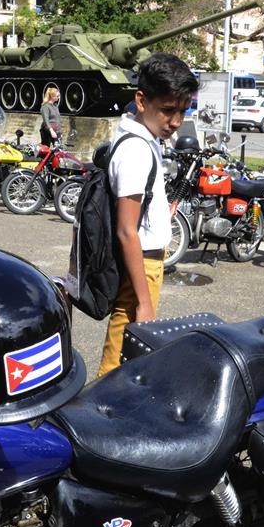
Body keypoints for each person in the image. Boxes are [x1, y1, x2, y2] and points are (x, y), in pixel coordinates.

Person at [97, 53, 198, 377]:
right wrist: (143, 301)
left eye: (183, 110)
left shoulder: (144, 137)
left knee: (129, 362)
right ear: (141, 100)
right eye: (168, 110)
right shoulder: (136, 150)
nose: (176, 121)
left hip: (145, 264)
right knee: (117, 366)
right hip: (142, 267)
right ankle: (95, 424)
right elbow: (127, 231)